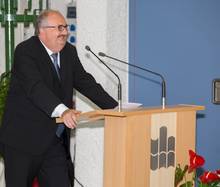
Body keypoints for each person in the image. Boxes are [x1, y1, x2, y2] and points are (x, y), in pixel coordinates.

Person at [0, 9, 117, 187]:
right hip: (22, 142)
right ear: (42, 31)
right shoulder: (25, 51)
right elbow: (35, 87)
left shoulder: (69, 52)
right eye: (59, 28)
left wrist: (116, 107)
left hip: (54, 143)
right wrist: (64, 111)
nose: (64, 32)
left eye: (65, 27)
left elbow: (85, 82)